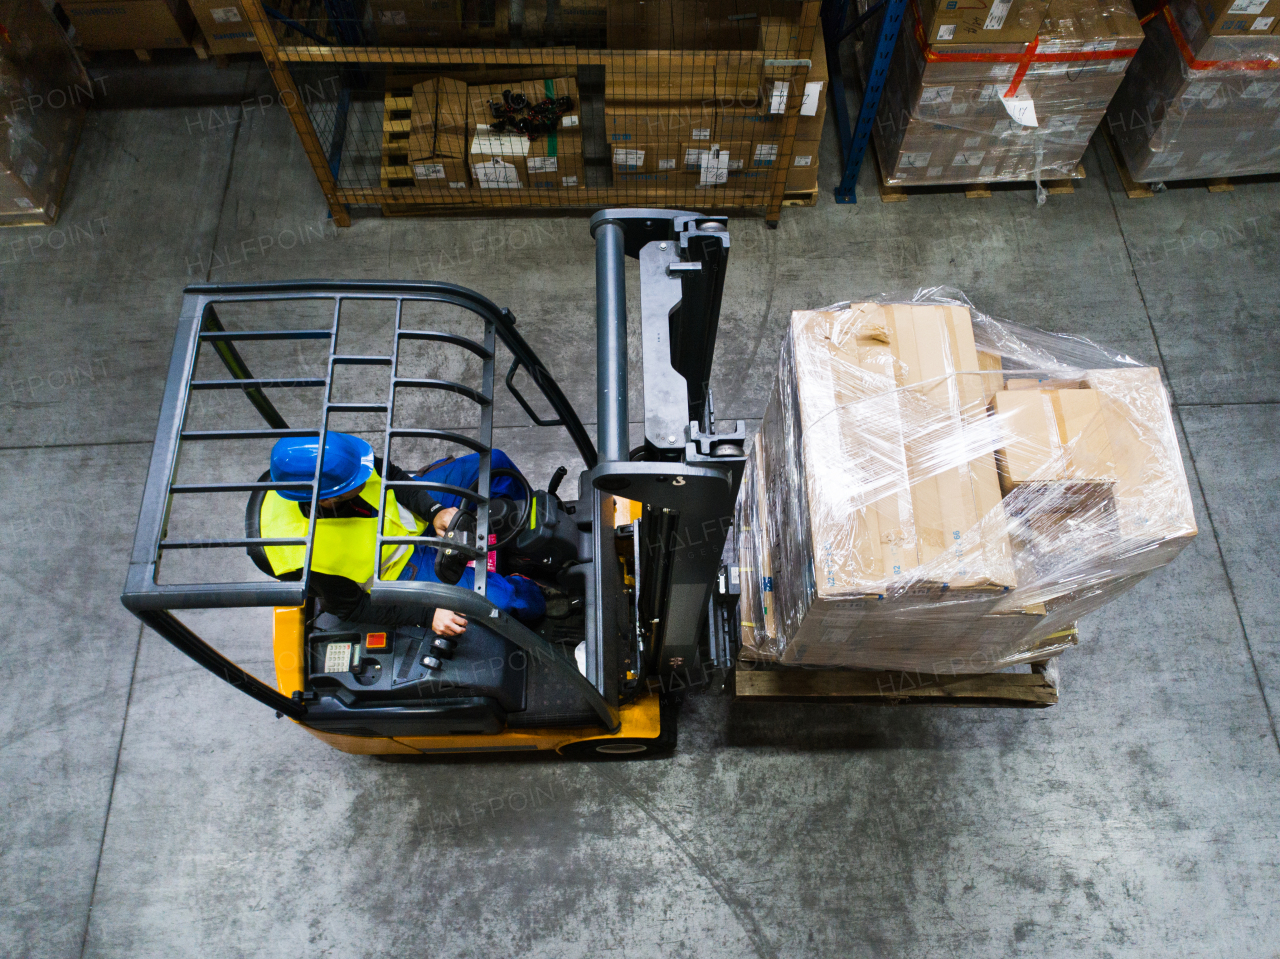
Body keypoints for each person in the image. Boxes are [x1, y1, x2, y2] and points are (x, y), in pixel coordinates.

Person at [257, 431, 545, 637]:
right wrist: (428, 615)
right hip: (399, 566)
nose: (366, 474)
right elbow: (353, 610)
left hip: (408, 507)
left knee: (495, 463)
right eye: (356, 482)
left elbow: (391, 474)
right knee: (503, 602)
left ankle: (530, 536)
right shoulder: (301, 556)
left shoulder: (344, 460)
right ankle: (536, 588)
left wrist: (433, 511)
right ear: (325, 499)